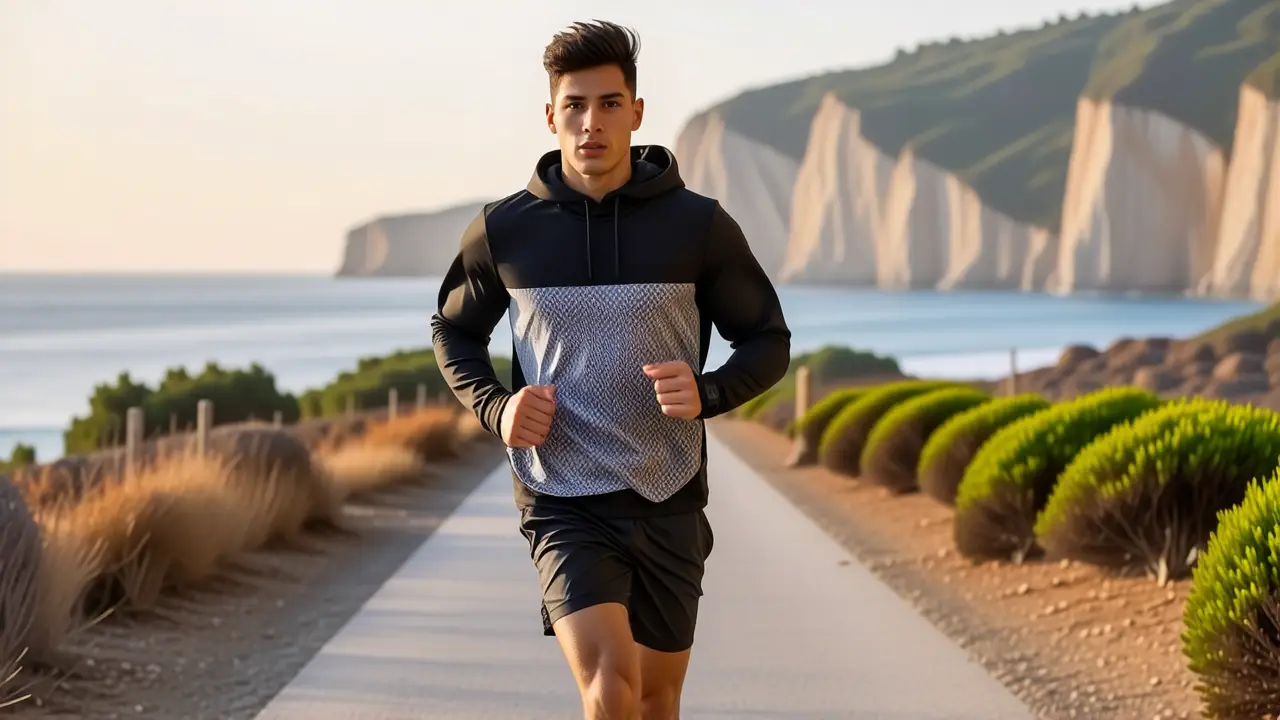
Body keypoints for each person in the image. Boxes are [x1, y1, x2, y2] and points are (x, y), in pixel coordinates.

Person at [430, 18, 791, 720]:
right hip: (560, 495)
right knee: (609, 688)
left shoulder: (698, 227)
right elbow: (453, 330)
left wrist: (709, 391)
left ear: (636, 112)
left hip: (669, 491)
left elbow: (766, 339)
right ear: (550, 115)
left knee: (655, 701)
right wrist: (497, 408)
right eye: (575, 105)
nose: (591, 122)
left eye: (608, 103)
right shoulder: (505, 231)